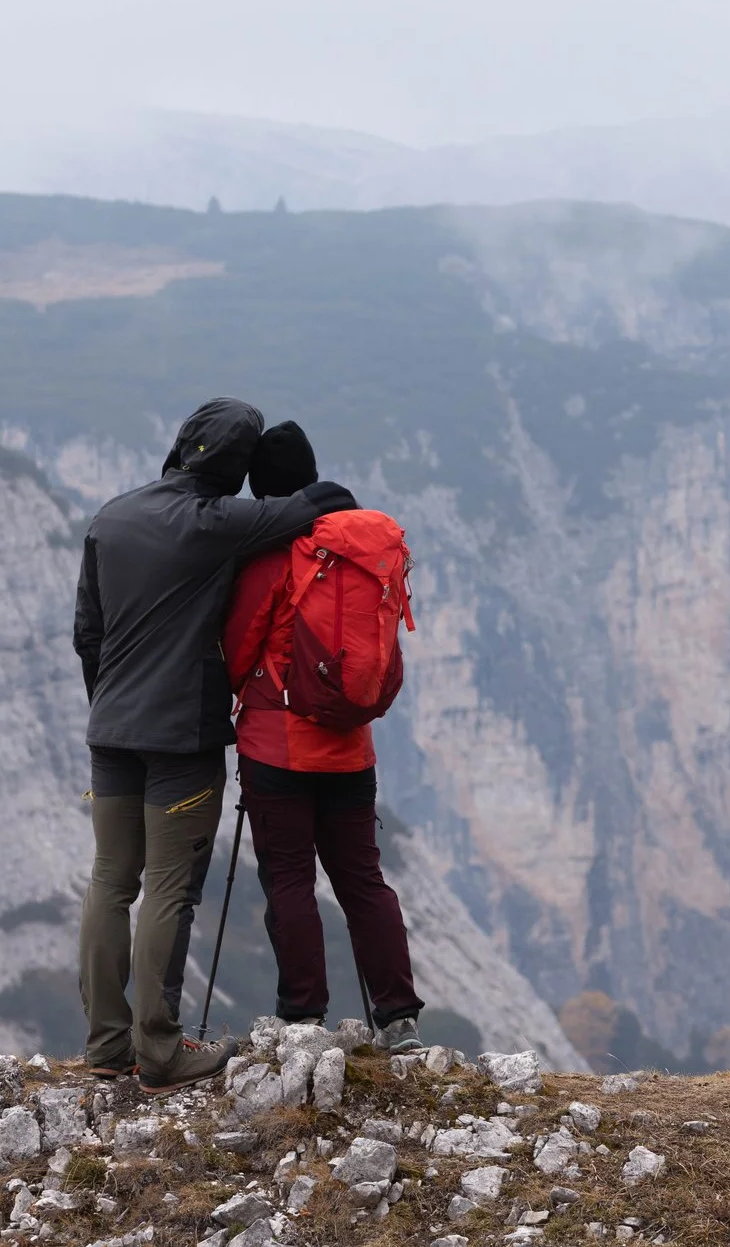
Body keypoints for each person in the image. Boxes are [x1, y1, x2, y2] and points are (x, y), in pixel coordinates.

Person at [73, 397, 356, 1095]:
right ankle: (160, 1052)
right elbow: (322, 501)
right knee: (169, 887)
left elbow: (88, 634)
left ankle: (106, 1044)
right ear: (235, 469)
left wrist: (112, 705)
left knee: (111, 881)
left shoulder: (110, 517)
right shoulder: (218, 521)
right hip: (181, 737)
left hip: (111, 730)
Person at [223, 419, 426, 1051]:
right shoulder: (362, 552)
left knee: (289, 879)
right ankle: (399, 1016)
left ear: (264, 493)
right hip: (350, 749)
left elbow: (237, 651)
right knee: (362, 879)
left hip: (277, 748)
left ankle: (303, 1015)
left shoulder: (278, 555)